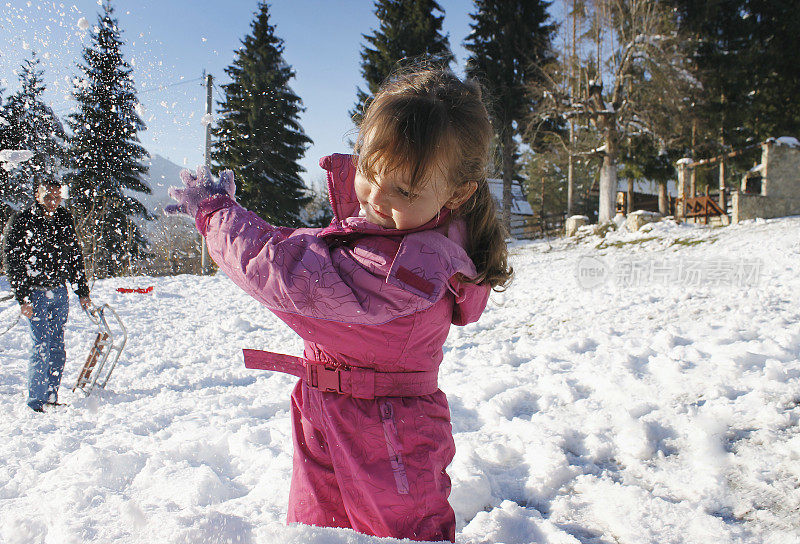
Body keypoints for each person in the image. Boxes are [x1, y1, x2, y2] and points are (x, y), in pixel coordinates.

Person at [167, 68, 512, 542]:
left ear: (457, 191)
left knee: (401, 535)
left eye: (403, 191)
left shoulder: (406, 269)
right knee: (318, 532)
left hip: (388, 436)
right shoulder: (404, 228)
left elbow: (289, 273)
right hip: (331, 410)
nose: (375, 198)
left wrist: (218, 215)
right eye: (370, 171)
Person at [2, 178, 92, 412]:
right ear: (37, 195)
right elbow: (13, 261)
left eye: (57, 197)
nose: (53, 202)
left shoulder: (64, 218)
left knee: (57, 347)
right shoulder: (22, 220)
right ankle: (36, 402)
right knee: (40, 345)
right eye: (48, 197)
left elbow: (74, 255)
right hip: (35, 293)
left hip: (59, 292)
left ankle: (51, 397)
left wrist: (82, 291)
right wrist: (22, 297)